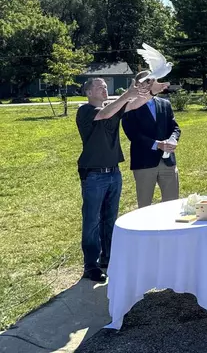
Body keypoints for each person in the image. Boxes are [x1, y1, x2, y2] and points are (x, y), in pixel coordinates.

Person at [76, 78, 151, 282]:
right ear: (89, 92)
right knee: (92, 221)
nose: (104, 89)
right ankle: (91, 266)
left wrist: (150, 91)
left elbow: (133, 104)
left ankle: (108, 259)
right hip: (94, 174)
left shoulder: (112, 107)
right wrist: (127, 94)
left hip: (113, 173)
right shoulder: (85, 110)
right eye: (100, 87)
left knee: (110, 219)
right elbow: (104, 114)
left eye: (105, 87)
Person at [122, 71, 181, 208]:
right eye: (147, 81)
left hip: (168, 162)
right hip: (144, 162)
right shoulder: (128, 107)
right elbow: (133, 134)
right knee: (144, 205)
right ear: (137, 85)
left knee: (172, 204)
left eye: (152, 81)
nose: (151, 84)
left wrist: (172, 140)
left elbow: (175, 128)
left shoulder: (164, 103)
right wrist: (157, 144)